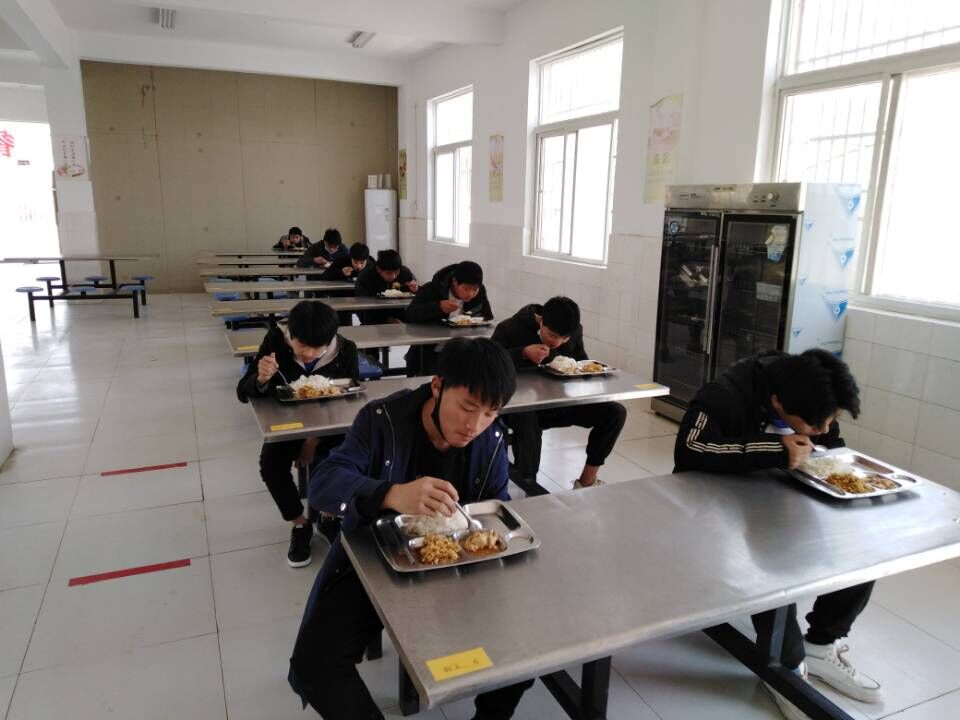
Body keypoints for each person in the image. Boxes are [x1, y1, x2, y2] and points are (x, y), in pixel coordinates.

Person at [288, 338, 534, 719]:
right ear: (437, 386)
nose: (475, 425)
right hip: (377, 561)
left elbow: (494, 509)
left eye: (490, 412)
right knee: (315, 665)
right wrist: (390, 494)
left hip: (460, 568)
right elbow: (322, 484)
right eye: (467, 407)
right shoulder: (382, 420)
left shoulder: (491, 437)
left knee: (527, 647)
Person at [673, 349, 880, 719]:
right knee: (771, 556)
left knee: (861, 545)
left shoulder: (810, 392)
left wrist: (832, 457)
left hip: (780, 497)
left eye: (830, 420)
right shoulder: (723, 396)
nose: (823, 429)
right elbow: (689, 450)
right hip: (714, 505)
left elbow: (828, 443)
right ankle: (786, 668)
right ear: (778, 403)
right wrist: (773, 449)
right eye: (815, 424)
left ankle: (821, 643)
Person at [236, 301, 359, 568]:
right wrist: (261, 378)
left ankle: (327, 516)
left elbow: (348, 403)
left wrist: (312, 441)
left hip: (329, 427)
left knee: (337, 460)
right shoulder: (275, 343)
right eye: (302, 345)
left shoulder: (346, 350)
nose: (309, 354)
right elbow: (243, 392)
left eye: (318, 347)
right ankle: (300, 523)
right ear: (290, 334)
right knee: (271, 465)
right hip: (288, 425)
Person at [492, 296, 626, 489]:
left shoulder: (572, 332)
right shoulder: (509, 328)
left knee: (615, 413)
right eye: (553, 336)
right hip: (520, 408)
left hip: (561, 403)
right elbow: (490, 364)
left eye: (565, 338)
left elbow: (580, 364)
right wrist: (523, 353)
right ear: (541, 321)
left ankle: (586, 481)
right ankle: (529, 487)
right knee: (527, 418)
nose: (558, 342)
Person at [404, 260, 494, 375]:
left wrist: (474, 319)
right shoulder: (433, 288)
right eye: (466, 289)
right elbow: (410, 314)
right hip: (432, 349)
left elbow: (487, 316)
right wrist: (438, 307)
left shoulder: (480, 292)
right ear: (455, 281)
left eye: (475, 289)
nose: (471, 294)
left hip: (464, 350)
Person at [354, 249, 418, 324]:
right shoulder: (365, 277)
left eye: (396, 272)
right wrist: (386, 320)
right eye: (389, 273)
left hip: (402, 317)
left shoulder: (405, 272)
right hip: (375, 320)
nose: (394, 276)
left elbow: (417, 298)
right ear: (378, 269)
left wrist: (415, 290)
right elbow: (361, 308)